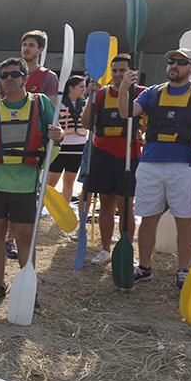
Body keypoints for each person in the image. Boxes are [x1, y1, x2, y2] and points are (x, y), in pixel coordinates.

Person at [0, 58, 63, 304]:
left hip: (25, 184)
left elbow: (56, 134)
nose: (9, 79)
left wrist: (59, 135)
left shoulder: (40, 103)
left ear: (24, 77)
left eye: (14, 74)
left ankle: (28, 287)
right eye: (4, 75)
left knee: (24, 236)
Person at [118, 47, 191, 288]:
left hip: (187, 164)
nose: (174, 65)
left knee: (186, 218)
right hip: (151, 163)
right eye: (171, 61)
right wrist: (123, 88)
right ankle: (145, 266)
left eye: (181, 62)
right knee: (148, 217)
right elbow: (127, 112)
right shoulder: (152, 92)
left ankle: (182, 270)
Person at [79, 57, 144, 266]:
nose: (117, 74)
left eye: (122, 70)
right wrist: (90, 97)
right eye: (114, 70)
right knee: (106, 203)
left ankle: (126, 250)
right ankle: (105, 249)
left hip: (129, 154)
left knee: (126, 205)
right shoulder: (101, 94)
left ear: (131, 72)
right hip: (102, 153)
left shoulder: (141, 93)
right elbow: (87, 123)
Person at [48, 74, 88, 203]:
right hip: (61, 145)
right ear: (71, 88)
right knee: (51, 182)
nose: (84, 89)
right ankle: (39, 210)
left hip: (78, 146)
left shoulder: (85, 104)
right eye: (81, 86)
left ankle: (65, 211)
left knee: (69, 181)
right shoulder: (59, 102)